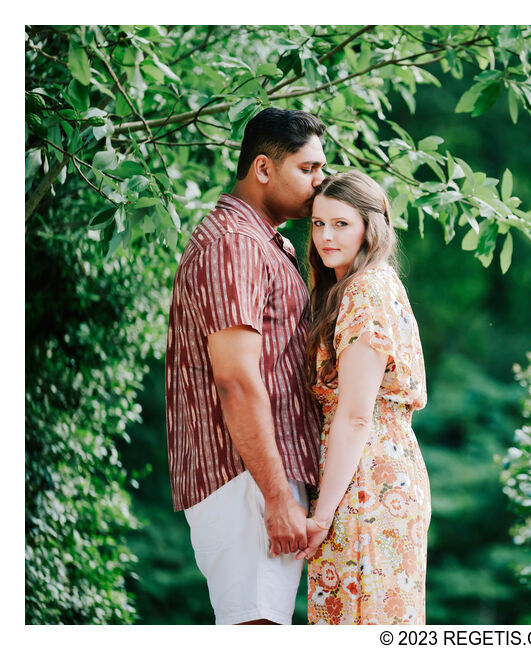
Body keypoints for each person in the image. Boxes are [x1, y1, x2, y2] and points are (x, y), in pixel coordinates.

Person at [165, 107, 327, 625]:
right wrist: (278, 497)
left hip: (258, 475)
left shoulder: (260, 241)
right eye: (307, 169)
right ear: (262, 168)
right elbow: (235, 378)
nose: (320, 182)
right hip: (247, 479)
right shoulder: (235, 243)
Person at [296, 171, 430, 624]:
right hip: (378, 469)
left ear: (370, 228)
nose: (325, 237)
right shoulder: (367, 285)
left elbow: (355, 416)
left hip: (365, 478)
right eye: (318, 224)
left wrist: (320, 517)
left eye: (341, 224)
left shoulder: (365, 290)